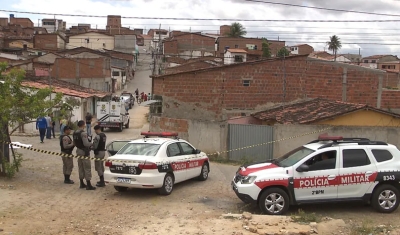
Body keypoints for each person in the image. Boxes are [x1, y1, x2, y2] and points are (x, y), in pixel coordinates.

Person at [73, 120, 96, 190]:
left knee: (80, 167)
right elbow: (86, 143)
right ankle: (88, 184)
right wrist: (92, 143)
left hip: (78, 151)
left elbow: (74, 142)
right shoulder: (83, 133)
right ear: (83, 125)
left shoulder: (75, 133)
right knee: (87, 167)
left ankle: (81, 183)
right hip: (84, 152)